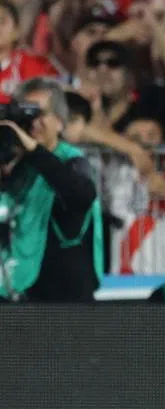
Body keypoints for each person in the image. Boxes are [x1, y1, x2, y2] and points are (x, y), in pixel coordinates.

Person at [0, 78, 103, 303]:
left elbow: (81, 195)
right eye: (25, 115)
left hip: (64, 307)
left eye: (39, 113)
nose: (32, 122)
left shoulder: (73, 161)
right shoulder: (14, 165)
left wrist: (34, 150)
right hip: (17, 300)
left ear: (60, 121)